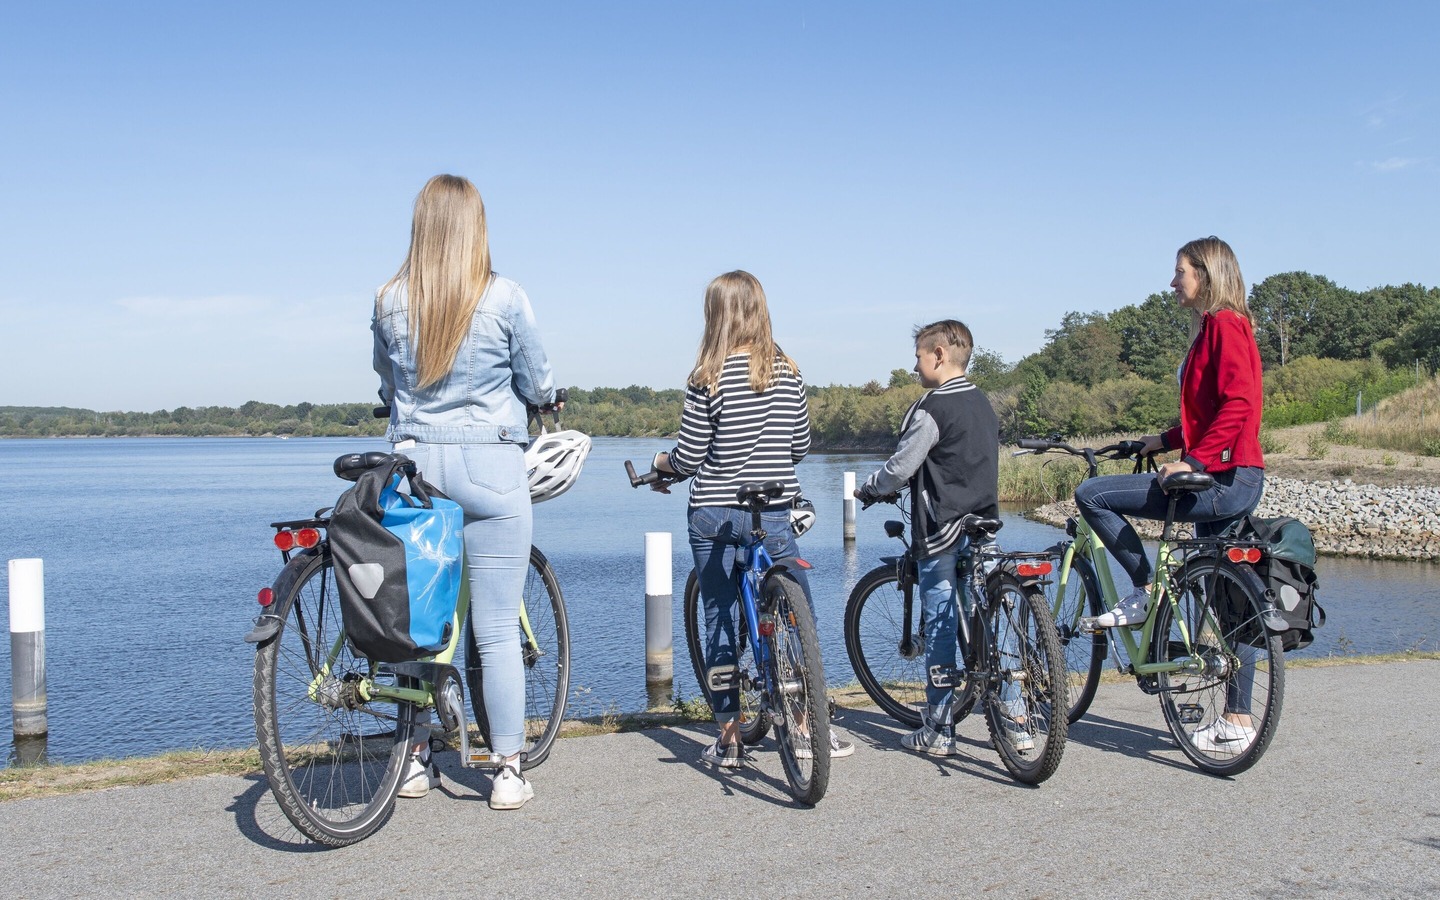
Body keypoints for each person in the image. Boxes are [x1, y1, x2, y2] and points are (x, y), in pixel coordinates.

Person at [372, 174, 556, 809]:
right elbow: (536, 379)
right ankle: (506, 771)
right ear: (478, 227)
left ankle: (416, 758)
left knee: (416, 622)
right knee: (498, 627)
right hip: (489, 469)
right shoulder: (505, 297)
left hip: (415, 468)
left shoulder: (390, 298)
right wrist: (546, 399)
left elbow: (385, 379)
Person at [653, 270, 853, 766]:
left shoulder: (707, 376)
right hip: (775, 509)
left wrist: (662, 467)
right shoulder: (789, 371)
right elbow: (802, 445)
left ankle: (730, 739)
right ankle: (808, 728)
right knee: (793, 610)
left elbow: (692, 454)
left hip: (716, 512)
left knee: (721, 617)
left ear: (716, 315)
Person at [1073, 235, 1265, 752]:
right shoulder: (1213, 328)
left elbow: (1239, 404)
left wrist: (1194, 461)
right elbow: (1208, 410)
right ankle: (1238, 719)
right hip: (1231, 475)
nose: (1172, 281)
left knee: (1092, 494)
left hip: (1222, 478)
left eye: (1179, 271)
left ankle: (1140, 591)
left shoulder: (1225, 324)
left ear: (1205, 273)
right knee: (1229, 599)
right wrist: (1165, 441)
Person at [855, 320, 1020, 756]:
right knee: (992, 619)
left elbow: (901, 466)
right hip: (985, 523)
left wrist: (871, 487)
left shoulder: (931, 408)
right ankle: (1018, 718)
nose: (914, 364)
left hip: (943, 528)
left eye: (919, 356)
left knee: (943, 620)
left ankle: (939, 727)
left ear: (940, 354)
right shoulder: (984, 403)